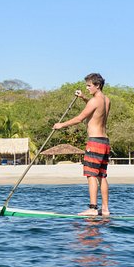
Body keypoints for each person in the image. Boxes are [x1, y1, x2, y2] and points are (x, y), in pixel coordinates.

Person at [53, 73, 111, 216]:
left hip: (95, 142)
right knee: (102, 176)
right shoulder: (106, 100)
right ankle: (105, 209)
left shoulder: (94, 101)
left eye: (89, 85)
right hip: (105, 142)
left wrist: (61, 125)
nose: (87, 88)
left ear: (97, 85)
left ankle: (92, 208)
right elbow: (96, 110)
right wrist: (84, 98)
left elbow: (79, 118)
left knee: (91, 175)